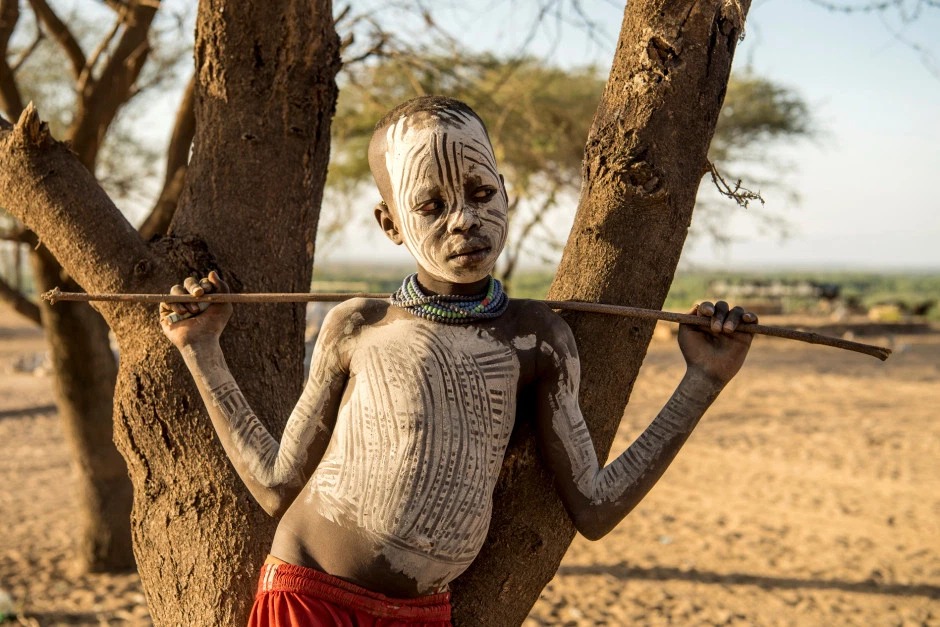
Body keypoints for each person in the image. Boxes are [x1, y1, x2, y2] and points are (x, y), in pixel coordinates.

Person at [160, 95, 758, 627]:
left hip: (425, 615)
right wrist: (201, 349)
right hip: (309, 599)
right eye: (430, 205)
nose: (465, 220)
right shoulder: (361, 324)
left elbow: (595, 508)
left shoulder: (537, 338)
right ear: (390, 224)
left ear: (506, 193)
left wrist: (703, 380)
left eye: (480, 193)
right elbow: (275, 484)